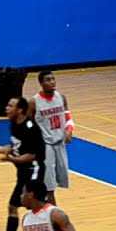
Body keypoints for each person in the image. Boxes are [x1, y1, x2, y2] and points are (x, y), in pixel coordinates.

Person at [0, 96, 45, 231]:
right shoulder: (14, 124)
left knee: (35, 208)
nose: (6, 108)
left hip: (33, 171)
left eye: (10, 106)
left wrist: (10, 159)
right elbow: (14, 146)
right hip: (22, 172)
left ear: (20, 110)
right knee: (14, 207)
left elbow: (31, 155)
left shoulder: (30, 128)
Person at [30, 70, 73, 204]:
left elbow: (68, 117)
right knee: (49, 185)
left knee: (61, 178)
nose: (52, 82)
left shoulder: (61, 97)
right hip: (45, 145)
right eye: (48, 80)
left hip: (60, 142)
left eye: (53, 79)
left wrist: (69, 130)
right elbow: (28, 124)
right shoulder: (34, 102)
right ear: (41, 83)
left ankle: (39, 204)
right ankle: (52, 212)